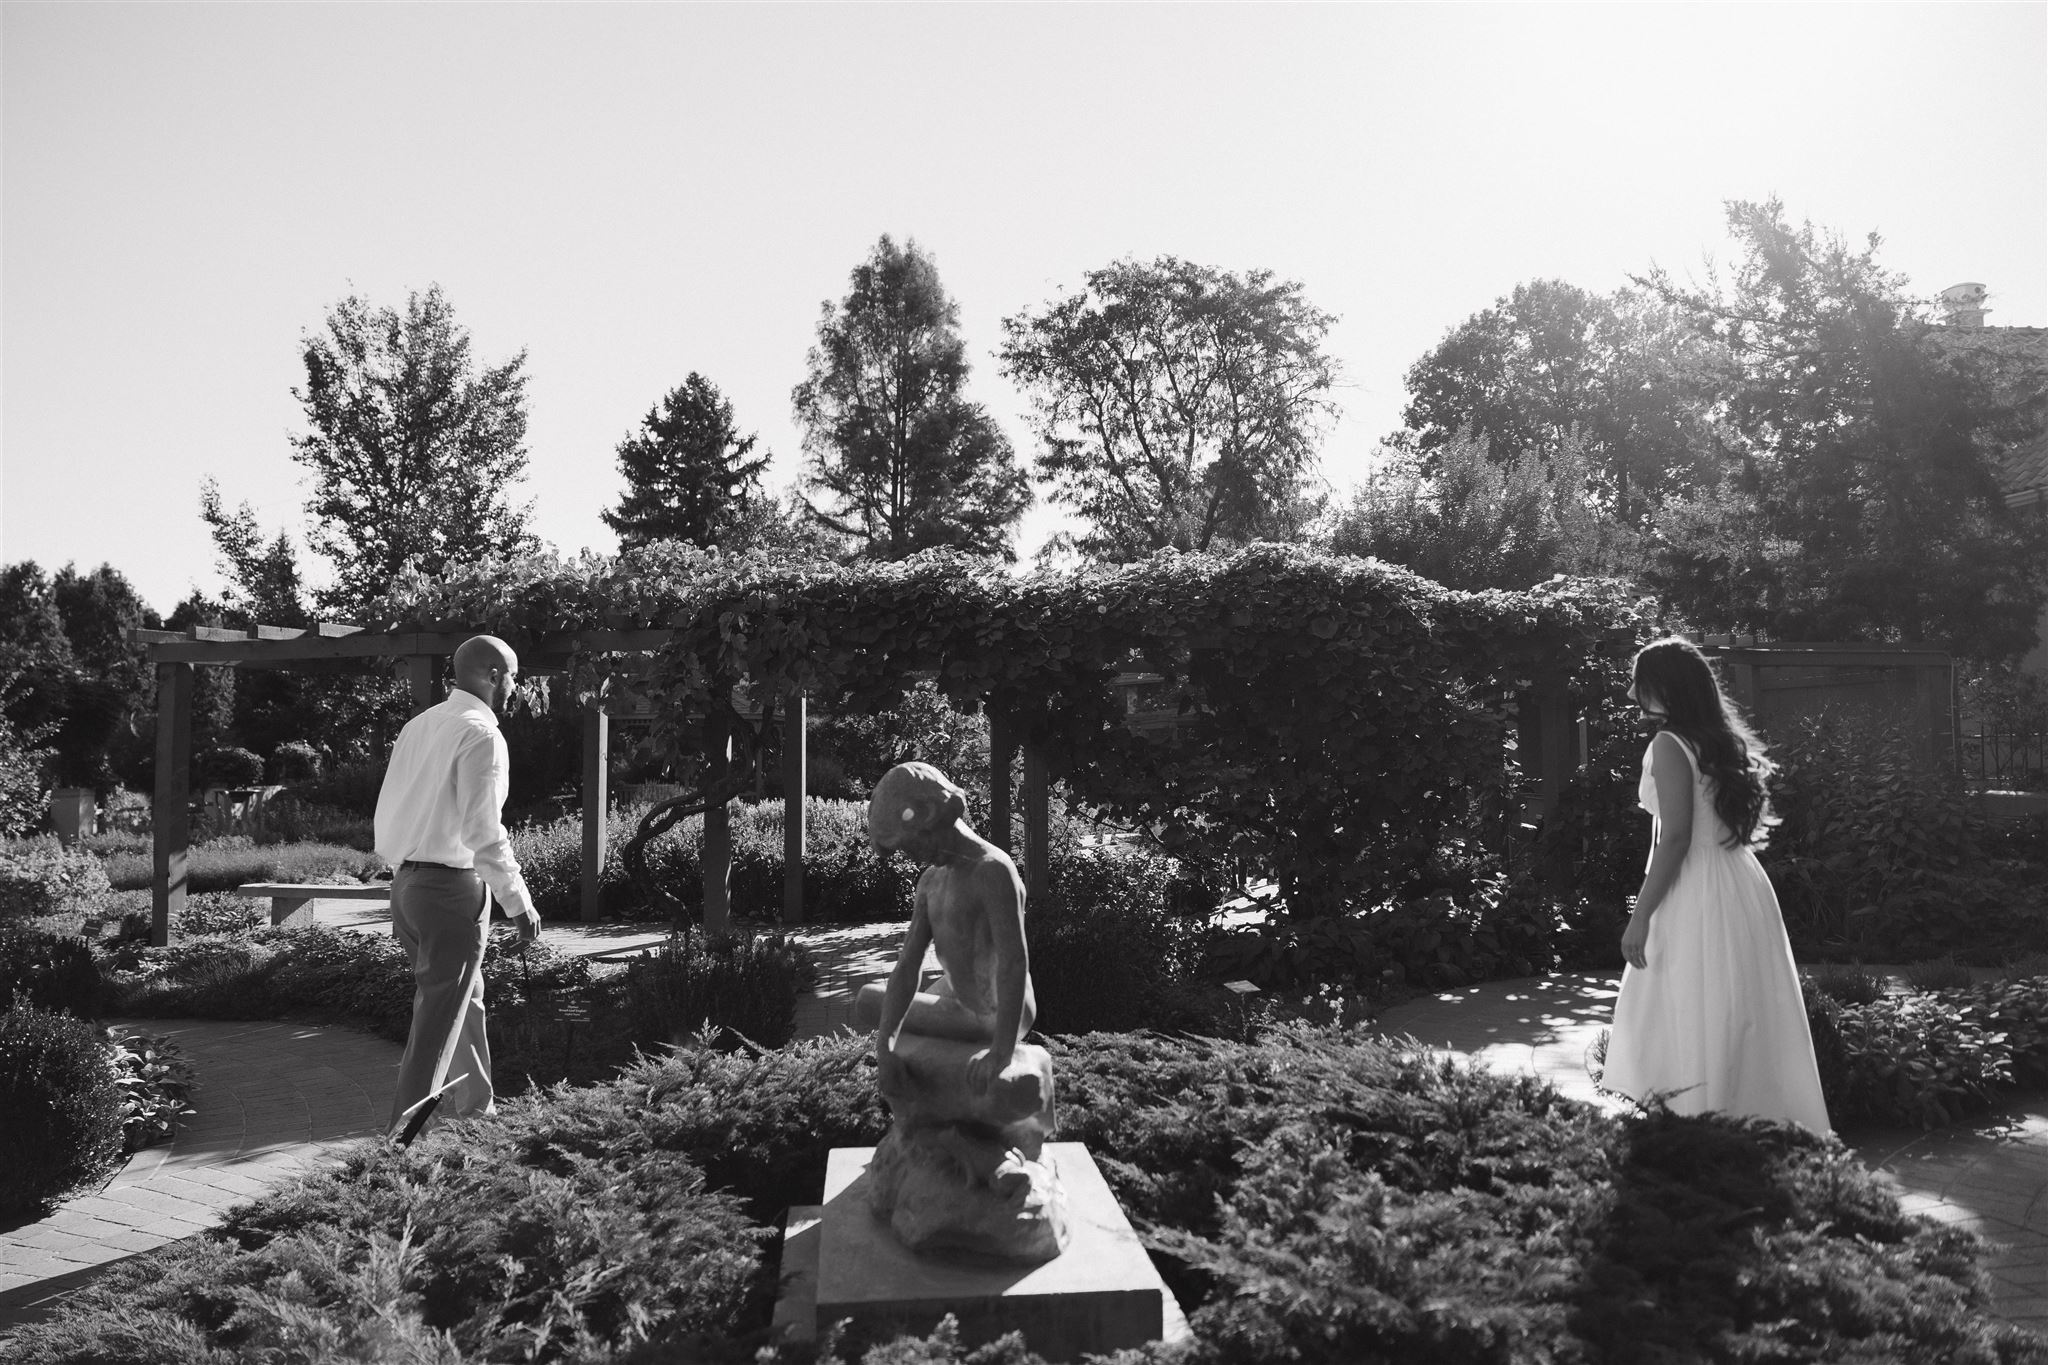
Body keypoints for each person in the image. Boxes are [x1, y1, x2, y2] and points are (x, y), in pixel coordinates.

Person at [1604, 637, 1831, 1134]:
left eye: (1639, 683)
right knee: (1736, 1004)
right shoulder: (1720, 740)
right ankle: (1745, 1120)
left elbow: (1677, 837)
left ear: (1663, 686)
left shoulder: (1669, 744)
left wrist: (1639, 916)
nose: (1632, 695)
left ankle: (1697, 1123)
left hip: (1696, 889)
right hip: (1738, 882)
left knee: (1691, 1001)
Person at [373, 634, 542, 1137]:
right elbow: (483, 832)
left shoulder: (419, 726)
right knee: (437, 1025)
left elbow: (390, 809)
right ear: (492, 675)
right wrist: (518, 901)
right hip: (450, 892)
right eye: (513, 676)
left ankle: (476, 1117)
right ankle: (401, 1144)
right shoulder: (481, 734)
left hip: (406, 887)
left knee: (463, 1002)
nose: (515, 687)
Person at [858, 761, 1037, 1103]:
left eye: (910, 845)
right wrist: (885, 1046)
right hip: (960, 995)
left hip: (994, 1013)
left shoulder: (992, 870)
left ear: (928, 815)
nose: (911, 856)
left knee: (869, 998)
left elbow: (1014, 962)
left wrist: (1000, 1052)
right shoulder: (931, 881)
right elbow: (908, 964)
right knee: (886, 1004)